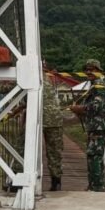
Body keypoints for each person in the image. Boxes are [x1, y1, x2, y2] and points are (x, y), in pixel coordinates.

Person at [77, 59, 105, 191]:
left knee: (94, 156)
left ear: (98, 71)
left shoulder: (99, 85)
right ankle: (95, 185)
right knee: (93, 156)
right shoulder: (94, 85)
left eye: (92, 69)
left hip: (99, 126)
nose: (88, 72)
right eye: (86, 69)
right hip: (96, 126)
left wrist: (80, 109)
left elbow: (96, 106)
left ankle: (97, 186)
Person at [42, 62, 64, 191]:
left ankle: (19, 176)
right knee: (54, 152)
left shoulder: (35, 76)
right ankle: (56, 181)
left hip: (43, 119)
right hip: (55, 120)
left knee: (24, 146)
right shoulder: (52, 78)